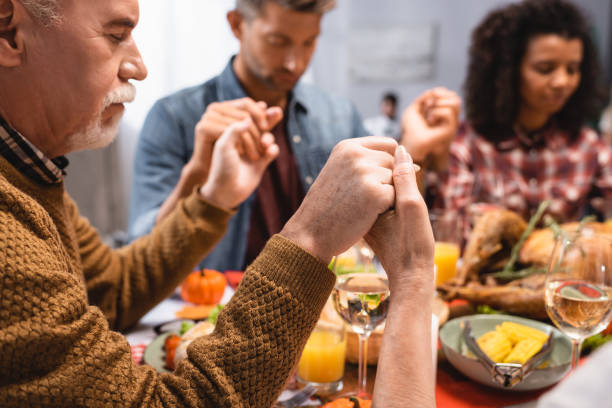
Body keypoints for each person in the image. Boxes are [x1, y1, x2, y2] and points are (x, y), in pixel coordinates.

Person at [0, 0, 437, 406]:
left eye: (308, 43)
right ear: (9, 34)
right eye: (116, 36)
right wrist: (309, 238)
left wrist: (214, 200)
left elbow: (110, 290)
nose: (139, 67)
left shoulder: (31, 174)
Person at [127, 0, 459, 271]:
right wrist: (199, 174)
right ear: (237, 25)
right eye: (278, 41)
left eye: (309, 42)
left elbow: (384, 220)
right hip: (207, 310)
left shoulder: (338, 114)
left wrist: (414, 149)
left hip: (316, 311)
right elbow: (139, 260)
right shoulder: (174, 116)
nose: (294, 62)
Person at [434, 0, 612, 222]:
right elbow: (449, 232)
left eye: (572, 69)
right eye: (545, 69)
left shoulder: (588, 146)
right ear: (507, 70)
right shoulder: (468, 144)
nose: (562, 82)